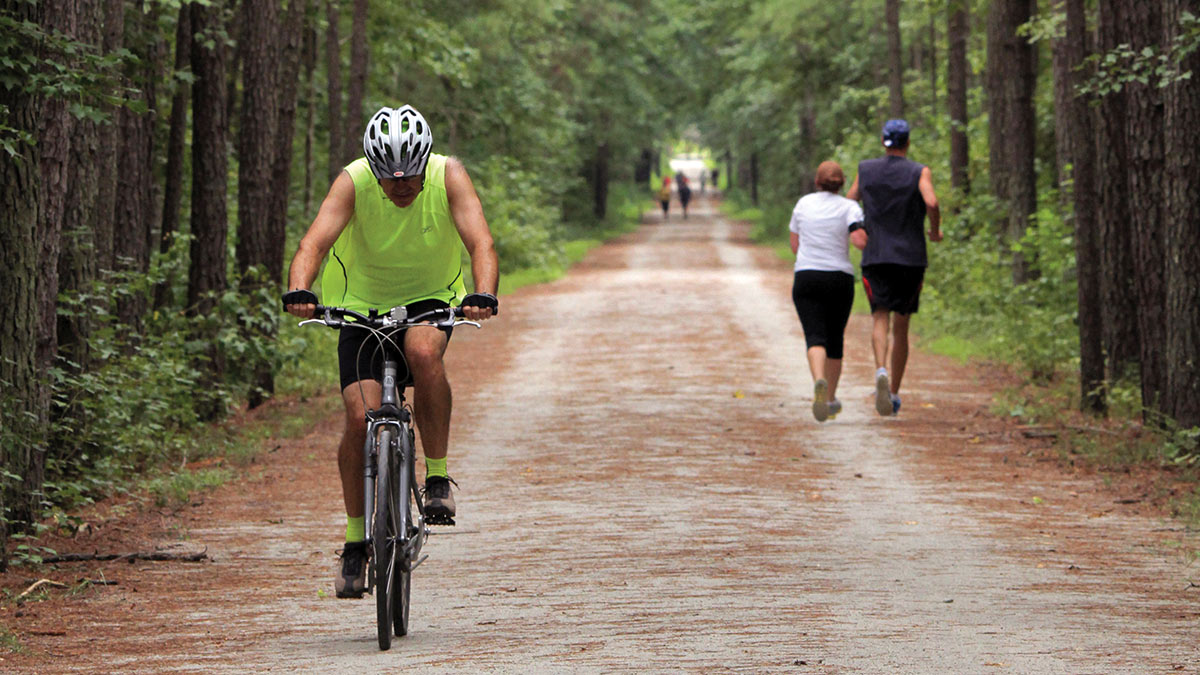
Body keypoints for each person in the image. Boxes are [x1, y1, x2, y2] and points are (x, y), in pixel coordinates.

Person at [283, 105, 499, 598]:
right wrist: (300, 289)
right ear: (375, 171)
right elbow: (314, 242)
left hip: (432, 298)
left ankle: (438, 478)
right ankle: (356, 541)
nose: (402, 188)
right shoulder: (353, 181)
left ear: (425, 163)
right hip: (360, 306)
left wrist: (482, 293)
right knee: (359, 422)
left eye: (410, 179)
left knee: (424, 352)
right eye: (390, 181)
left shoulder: (449, 175)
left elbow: (480, 240)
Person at [846, 119, 942, 417]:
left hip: (875, 255)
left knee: (879, 317)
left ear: (883, 141)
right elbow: (932, 201)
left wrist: (855, 230)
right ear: (908, 143)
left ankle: (880, 371)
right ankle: (895, 393)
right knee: (902, 326)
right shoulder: (919, 171)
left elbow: (849, 201)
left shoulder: (866, 170)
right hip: (910, 257)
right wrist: (935, 230)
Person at [789, 161, 868, 422]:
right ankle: (831, 398)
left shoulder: (803, 204)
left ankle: (818, 381)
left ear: (816, 181)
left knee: (815, 337)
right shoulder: (850, 207)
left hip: (807, 276)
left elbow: (794, 245)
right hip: (839, 278)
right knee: (835, 338)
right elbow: (858, 240)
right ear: (842, 183)